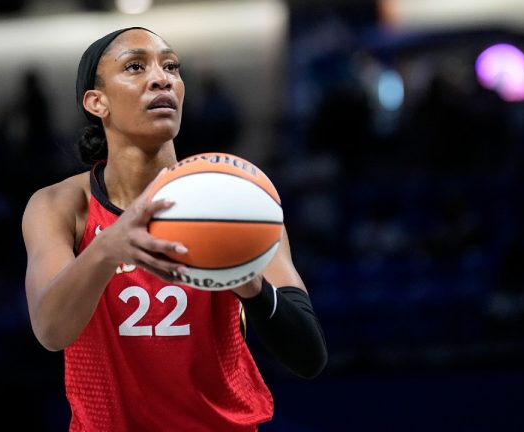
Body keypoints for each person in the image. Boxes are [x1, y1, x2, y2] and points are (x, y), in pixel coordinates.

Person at [21, 27, 327, 431]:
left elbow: (309, 356)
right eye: (135, 66)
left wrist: (248, 283)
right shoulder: (61, 206)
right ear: (98, 102)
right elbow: (51, 331)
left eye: (171, 66)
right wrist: (106, 248)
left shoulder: (235, 198)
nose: (162, 77)